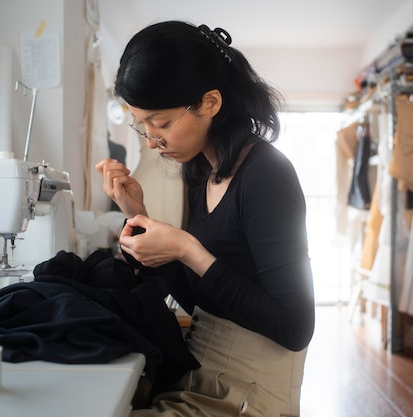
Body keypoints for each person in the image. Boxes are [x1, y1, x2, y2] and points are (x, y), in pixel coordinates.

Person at [95, 21, 315, 417]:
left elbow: (295, 326)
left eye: (161, 124)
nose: (151, 140)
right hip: (203, 366)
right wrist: (138, 215)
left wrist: (188, 248)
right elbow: (202, 296)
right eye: (142, 124)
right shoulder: (202, 171)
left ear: (210, 103)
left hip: (251, 389)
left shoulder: (267, 175)